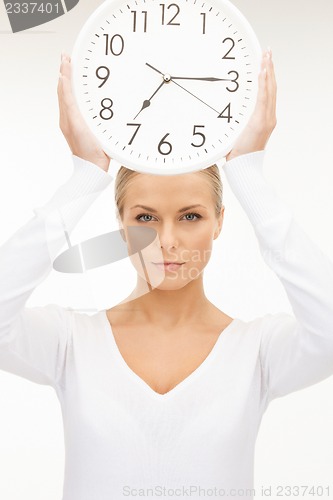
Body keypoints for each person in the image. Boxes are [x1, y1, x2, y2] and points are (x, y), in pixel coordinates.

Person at [0, 48, 333, 500]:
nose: (167, 240)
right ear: (121, 225)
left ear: (220, 220)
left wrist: (248, 173)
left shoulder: (258, 352)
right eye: (145, 218)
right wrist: (86, 176)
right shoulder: (70, 342)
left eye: (191, 217)